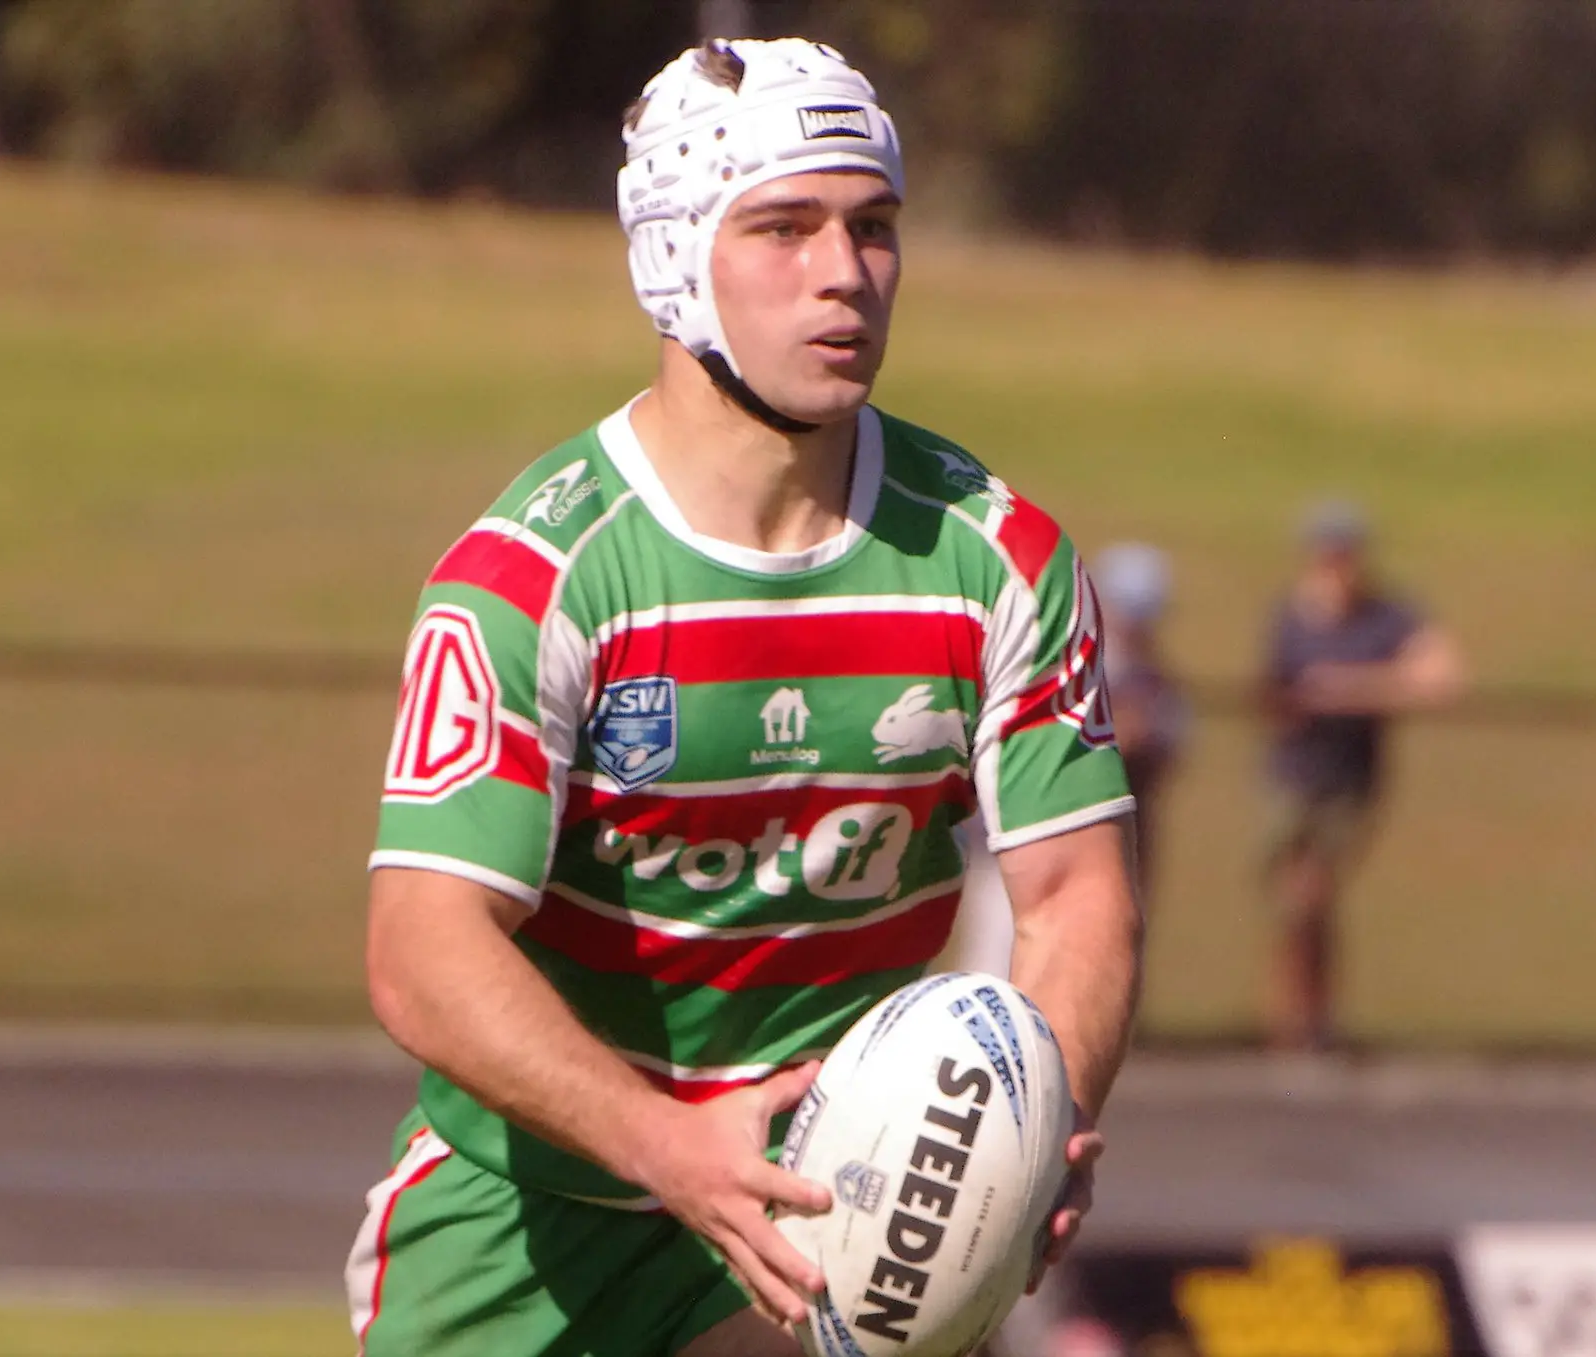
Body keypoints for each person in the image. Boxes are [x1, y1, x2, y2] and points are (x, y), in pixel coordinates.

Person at [351, 37, 1144, 1357]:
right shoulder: (536, 580)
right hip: (528, 1229)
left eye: (873, 226)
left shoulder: (995, 559)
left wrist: (1032, 1122)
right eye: (785, 227)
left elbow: (1075, 896)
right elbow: (422, 950)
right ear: (673, 255)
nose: (844, 272)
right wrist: (666, 1145)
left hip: (826, 1221)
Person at [1260, 500, 1463, 1053]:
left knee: (1312, 895)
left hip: (1349, 781)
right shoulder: (1291, 616)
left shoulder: (1387, 618)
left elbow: (1442, 677)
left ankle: (1307, 1021)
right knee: (1292, 903)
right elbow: (1271, 692)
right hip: (1293, 775)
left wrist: (1352, 689)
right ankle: (1292, 1021)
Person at [948, 540, 1185, 980]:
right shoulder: (1064, 655)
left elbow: (1172, 745)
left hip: (1106, 840)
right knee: (995, 961)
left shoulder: (1152, 678)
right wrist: (1118, 734)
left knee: (1076, 967)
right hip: (1022, 834)